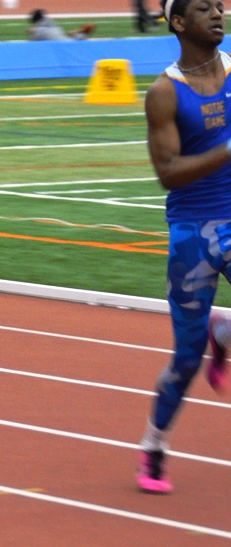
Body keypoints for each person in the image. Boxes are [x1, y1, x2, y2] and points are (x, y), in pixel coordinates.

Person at [137, 0, 231, 495]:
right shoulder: (163, 93)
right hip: (192, 232)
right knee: (187, 358)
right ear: (178, 23)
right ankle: (155, 443)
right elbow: (167, 175)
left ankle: (227, 327)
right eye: (203, 8)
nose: (218, 12)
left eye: (220, 5)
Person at [27, 8, 95, 40]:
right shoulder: (52, 23)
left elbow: (34, 42)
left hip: (63, 45)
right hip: (63, 38)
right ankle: (80, 34)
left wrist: (32, 33)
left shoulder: (38, 31)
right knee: (67, 36)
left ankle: (81, 35)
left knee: (70, 38)